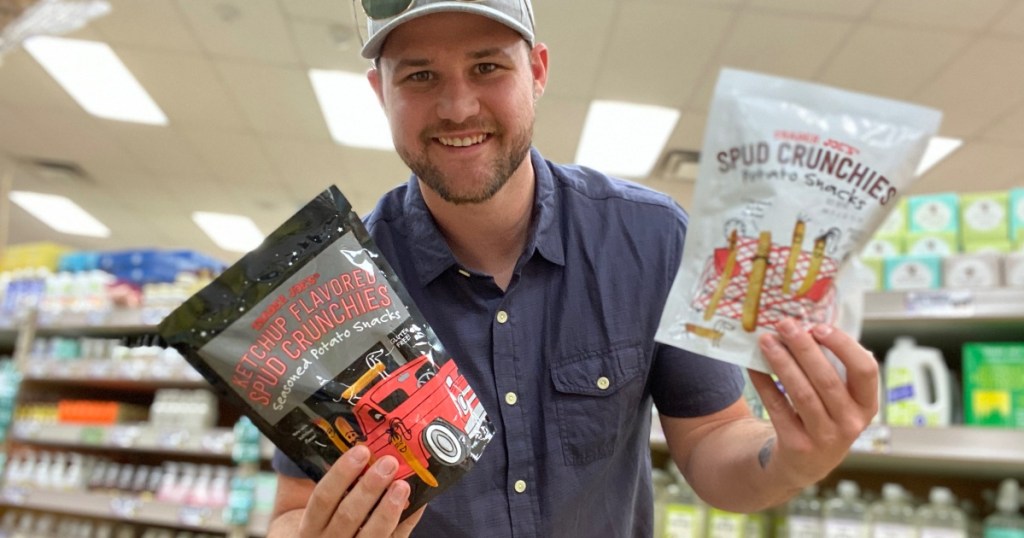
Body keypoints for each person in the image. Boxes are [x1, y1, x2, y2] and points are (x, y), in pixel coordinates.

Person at [267, 1, 879, 536]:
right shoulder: (333, 290)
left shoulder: (652, 237)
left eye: (488, 67)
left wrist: (792, 460)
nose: (457, 107)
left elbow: (713, 439)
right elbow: (295, 507)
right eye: (420, 75)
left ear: (536, 72)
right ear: (381, 94)